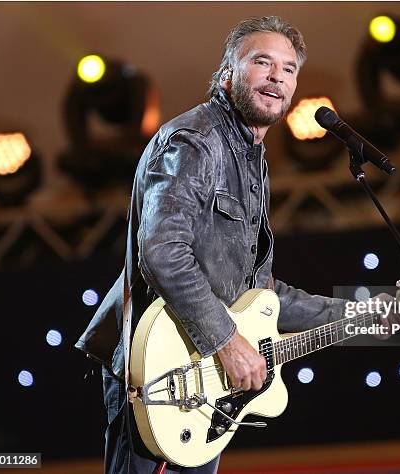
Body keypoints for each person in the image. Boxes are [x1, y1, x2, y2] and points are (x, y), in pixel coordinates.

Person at [75, 16, 352, 474]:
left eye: (288, 68)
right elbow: (162, 250)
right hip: (160, 368)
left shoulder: (252, 159)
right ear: (227, 74)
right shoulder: (196, 141)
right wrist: (226, 340)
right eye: (262, 62)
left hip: (202, 378)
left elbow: (260, 296)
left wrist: (356, 315)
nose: (277, 76)